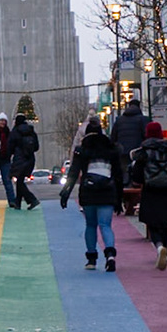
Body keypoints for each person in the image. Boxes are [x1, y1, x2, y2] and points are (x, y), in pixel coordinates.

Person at [60, 115, 124, 271]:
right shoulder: (111, 149)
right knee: (106, 225)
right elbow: (118, 175)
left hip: (88, 191)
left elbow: (73, 173)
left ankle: (91, 259)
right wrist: (119, 198)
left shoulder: (82, 151)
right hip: (107, 191)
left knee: (90, 225)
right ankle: (110, 255)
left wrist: (65, 192)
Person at [132, 121, 167, 269]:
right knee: (164, 225)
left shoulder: (144, 151)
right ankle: (163, 247)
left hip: (151, 191)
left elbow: (137, 176)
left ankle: (159, 246)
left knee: (153, 224)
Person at [110, 99, 148, 213]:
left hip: (122, 153)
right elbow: (146, 135)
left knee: (124, 177)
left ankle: (124, 200)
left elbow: (113, 137)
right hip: (137, 153)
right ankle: (135, 200)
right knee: (138, 176)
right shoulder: (143, 119)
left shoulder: (119, 120)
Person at [9, 112, 41, 209]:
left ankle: (32, 199)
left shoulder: (15, 132)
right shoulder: (31, 131)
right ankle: (17, 202)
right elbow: (36, 147)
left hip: (19, 159)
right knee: (20, 180)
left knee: (19, 181)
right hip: (30, 159)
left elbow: (10, 146)